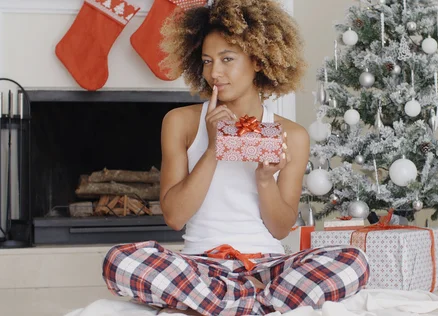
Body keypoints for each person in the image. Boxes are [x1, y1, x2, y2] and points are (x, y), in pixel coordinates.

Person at [101, 0, 370, 315]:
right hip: (201, 266)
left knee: (354, 262)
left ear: (258, 60)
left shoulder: (291, 135)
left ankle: (222, 304)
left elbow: (281, 229)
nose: (214, 73)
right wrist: (215, 148)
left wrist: (265, 180)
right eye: (206, 61)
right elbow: (174, 217)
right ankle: (259, 304)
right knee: (119, 262)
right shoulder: (181, 122)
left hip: (268, 267)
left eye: (227, 59)